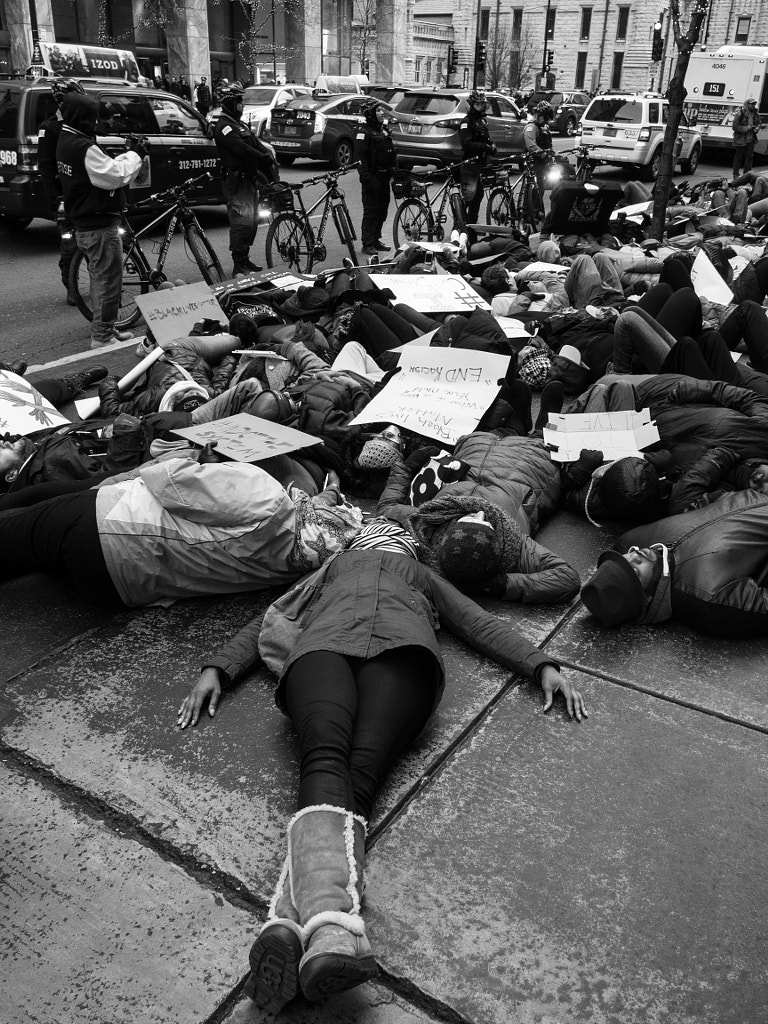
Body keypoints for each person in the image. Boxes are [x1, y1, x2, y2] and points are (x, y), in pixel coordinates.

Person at [177, 537, 587, 1013]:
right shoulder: (331, 567)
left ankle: (288, 926)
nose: (388, 537)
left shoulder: (424, 576)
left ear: (412, 549)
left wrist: (541, 665)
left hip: (403, 652)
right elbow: (271, 615)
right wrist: (219, 667)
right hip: (322, 648)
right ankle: (333, 927)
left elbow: (478, 622)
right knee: (325, 753)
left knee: (360, 770)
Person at [0, 460, 361, 605]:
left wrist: (194, 458)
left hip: (110, 525)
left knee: (19, 525)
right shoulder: (292, 566)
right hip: (121, 587)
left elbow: (174, 481)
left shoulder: (268, 499)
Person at [581, 486, 768, 637]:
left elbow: (697, 513)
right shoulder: (707, 597)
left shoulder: (632, 541)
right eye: (635, 571)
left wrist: (723, 497)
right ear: (646, 597)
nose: (635, 556)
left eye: (624, 560)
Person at [56, 93, 148, 349]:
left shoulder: (68, 139)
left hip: (85, 222)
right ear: (83, 118)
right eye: (92, 117)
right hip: (98, 225)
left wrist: (126, 155)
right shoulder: (82, 147)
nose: (96, 122)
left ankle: (106, 329)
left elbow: (103, 168)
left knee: (101, 279)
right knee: (107, 281)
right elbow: (115, 175)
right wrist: (136, 155)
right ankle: (103, 336)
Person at [213, 82, 280, 276]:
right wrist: (262, 158)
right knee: (241, 222)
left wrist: (268, 160)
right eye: (239, 101)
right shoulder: (224, 127)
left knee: (251, 222)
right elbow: (241, 149)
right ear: (230, 104)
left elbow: (255, 144)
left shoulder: (237, 124)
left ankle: (245, 257)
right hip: (236, 182)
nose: (242, 105)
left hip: (249, 180)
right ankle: (238, 264)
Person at [37, 78, 84, 306]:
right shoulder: (49, 129)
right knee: (70, 245)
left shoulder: (81, 125)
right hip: (65, 198)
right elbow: (45, 168)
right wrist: (55, 201)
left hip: (85, 196)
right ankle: (71, 286)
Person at [355, 101, 397, 256]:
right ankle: (367, 244)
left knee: (382, 211)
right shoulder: (363, 132)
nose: (382, 113)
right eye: (378, 110)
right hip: (372, 178)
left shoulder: (383, 131)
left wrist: (394, 169)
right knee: (371, 212)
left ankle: (375, 239)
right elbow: (359, 157)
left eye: (382, 110)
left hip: (384, 177)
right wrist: (366, 178)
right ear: (371, 114)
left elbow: (391, 152)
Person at [458, 90, 497, 246]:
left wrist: (491, 146)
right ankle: (461, 229)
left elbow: (486, 139)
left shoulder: (482, 121)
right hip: (469, 165)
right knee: (469, 198)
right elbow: (466, 144)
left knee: (478, 198)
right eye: (477, 103)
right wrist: (485, 147)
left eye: (482, 103)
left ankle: (471, 231)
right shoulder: (466, 122)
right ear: (472, 104)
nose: (480, 106)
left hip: (481, 165)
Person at [523, 100, 555, 195]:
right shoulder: (531, 127)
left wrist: (552, 153)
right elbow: (531, 146)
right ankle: (527, 208)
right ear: (538, 115)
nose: (547, 121)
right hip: (533, 161)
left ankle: (536, 208)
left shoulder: (545, 127)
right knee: (535, 188)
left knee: (542, 186)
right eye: (545, 118)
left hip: (543, 162)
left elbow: (549, 144)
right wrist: (544, 155)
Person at [732, 97, 761, 176]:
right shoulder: (740, 114)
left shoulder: (756, 113)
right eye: (751, 104)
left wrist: (757, 128)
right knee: (738, 158)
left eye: (754, 104)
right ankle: (736, 175)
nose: (753, 106)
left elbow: (759, 123)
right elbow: (735, 127)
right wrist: (746, 128)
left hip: (751, 139)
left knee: (749, 158)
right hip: (741, 139)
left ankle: (747, 175)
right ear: (747, 104)